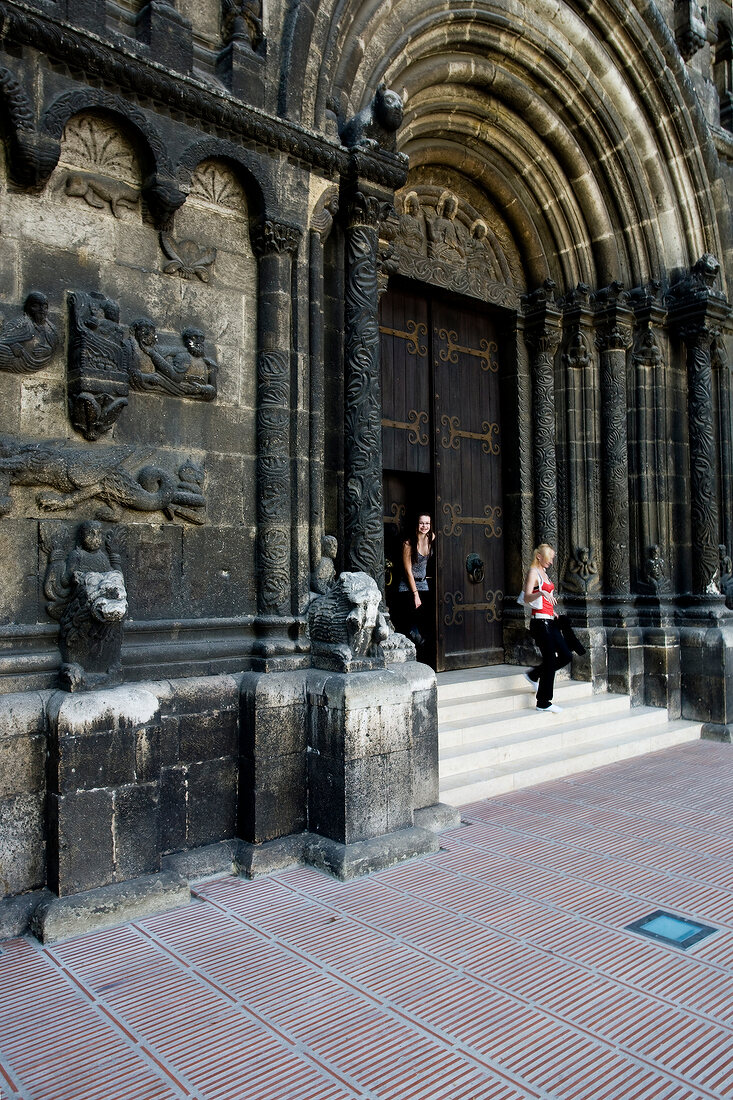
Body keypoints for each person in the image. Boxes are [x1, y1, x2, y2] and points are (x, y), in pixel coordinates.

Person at [522, 543, 572, 713]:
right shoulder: (533, 572)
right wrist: (541, 593)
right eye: (549, 558)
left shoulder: (545, 573)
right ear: (539, 556)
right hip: (539, 623)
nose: (551, 562)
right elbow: (527, 597)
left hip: (549, 621)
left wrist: (553, 613)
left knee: (566, 655)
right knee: (550, 659)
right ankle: (543, 702)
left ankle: (534, 674)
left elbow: (546, 602)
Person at [399, 513, 435, 653]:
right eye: (421, 523)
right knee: (413, 628)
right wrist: (415, 594)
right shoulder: (408, 544)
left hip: (424, 584)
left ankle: (424, 656)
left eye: (427, 523)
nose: (424, 526)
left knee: (425, 623)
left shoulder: (431, 538)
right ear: (417, 524)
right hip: (408, 587)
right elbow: (408, 571)